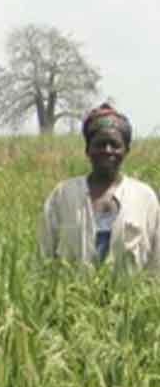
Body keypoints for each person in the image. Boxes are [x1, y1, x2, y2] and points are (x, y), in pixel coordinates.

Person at [39, 103, 160, 274]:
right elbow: (44, 254)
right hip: (72, 297)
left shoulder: (144, 197)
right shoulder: (63, 194)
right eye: (100, 144)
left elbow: (156, 260)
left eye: (115, 145)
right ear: (87, 149)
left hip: (129, 298)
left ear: (126, 150)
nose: (107, 150)